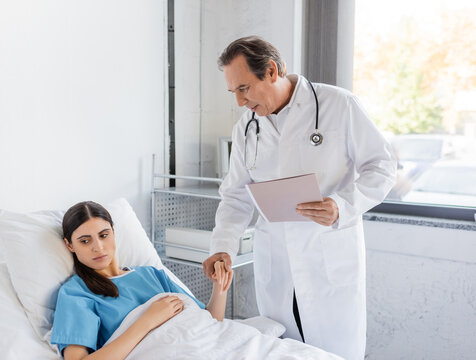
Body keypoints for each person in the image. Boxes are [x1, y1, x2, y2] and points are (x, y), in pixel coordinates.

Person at [202, 36, 397, 360]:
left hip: (328, 258)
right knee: (281, 350)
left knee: (334, 352)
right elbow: (236, 196)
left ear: (271, 71)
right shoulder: (247, 128)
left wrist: (342, 206)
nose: (239, 102)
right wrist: (222, 246)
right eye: (233, 91)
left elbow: (383, 166)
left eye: (244, 88)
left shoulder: (339, 105)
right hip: (277, 262)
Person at [51, 201, 232, 360]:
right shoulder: (76, 293)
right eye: (84, 241)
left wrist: (220, 285)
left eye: (104, 235)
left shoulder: (152, 274)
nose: (98, 247)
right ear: (69, 245)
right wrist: (147, 321)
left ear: (113, 233)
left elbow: (209, 322)